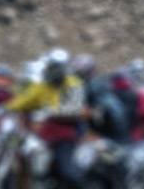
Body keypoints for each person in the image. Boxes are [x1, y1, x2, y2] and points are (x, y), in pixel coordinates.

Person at [7, 51, 86, 189]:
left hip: (64, 136)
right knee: (24, 161)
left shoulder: (73, 85)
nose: (53, 69)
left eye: (56, 66)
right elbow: (29, 100)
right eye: (51, 66)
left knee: (66, 171)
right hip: (44, 136)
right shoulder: (45, 85)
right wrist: (6, 107)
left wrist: (53, 111)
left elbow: (74, 109)